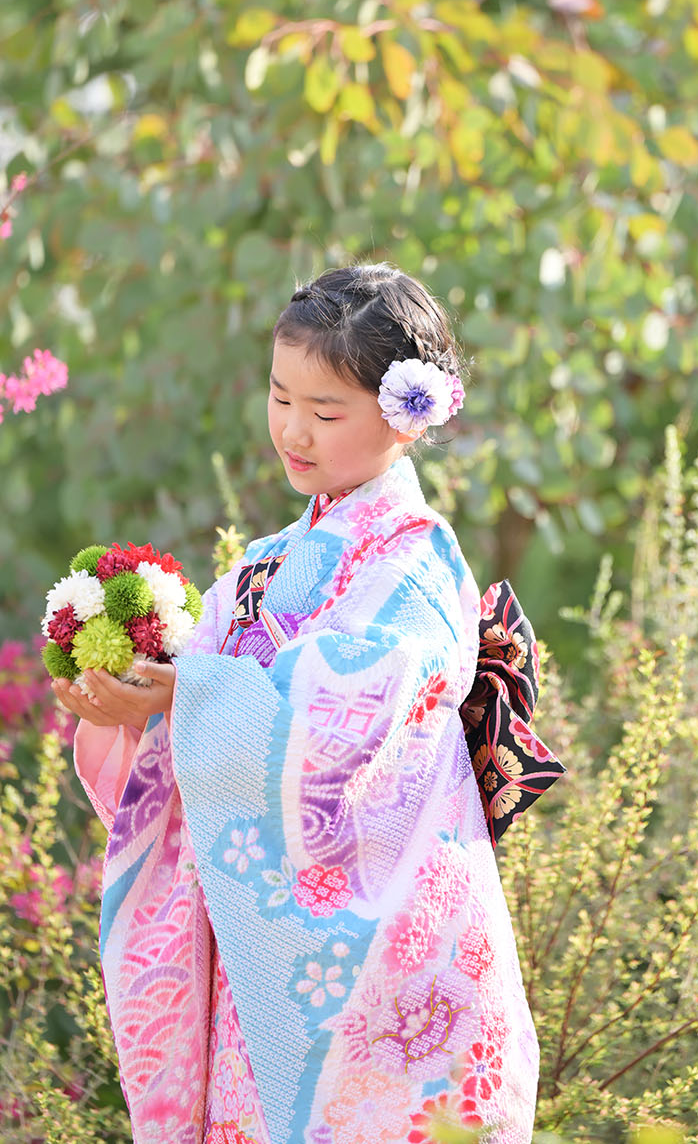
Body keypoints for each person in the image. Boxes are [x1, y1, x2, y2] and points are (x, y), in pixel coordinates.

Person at [52, 262, 563, 1144]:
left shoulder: (418, 563)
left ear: (406, 414)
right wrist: (131, 710)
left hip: (388, 964)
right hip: (257, 969)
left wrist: (197, 696)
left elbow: (344, 715)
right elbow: (199, 724)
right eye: (280, 397)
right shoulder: (259, 567)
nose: (294, 430)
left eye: (326, 412)